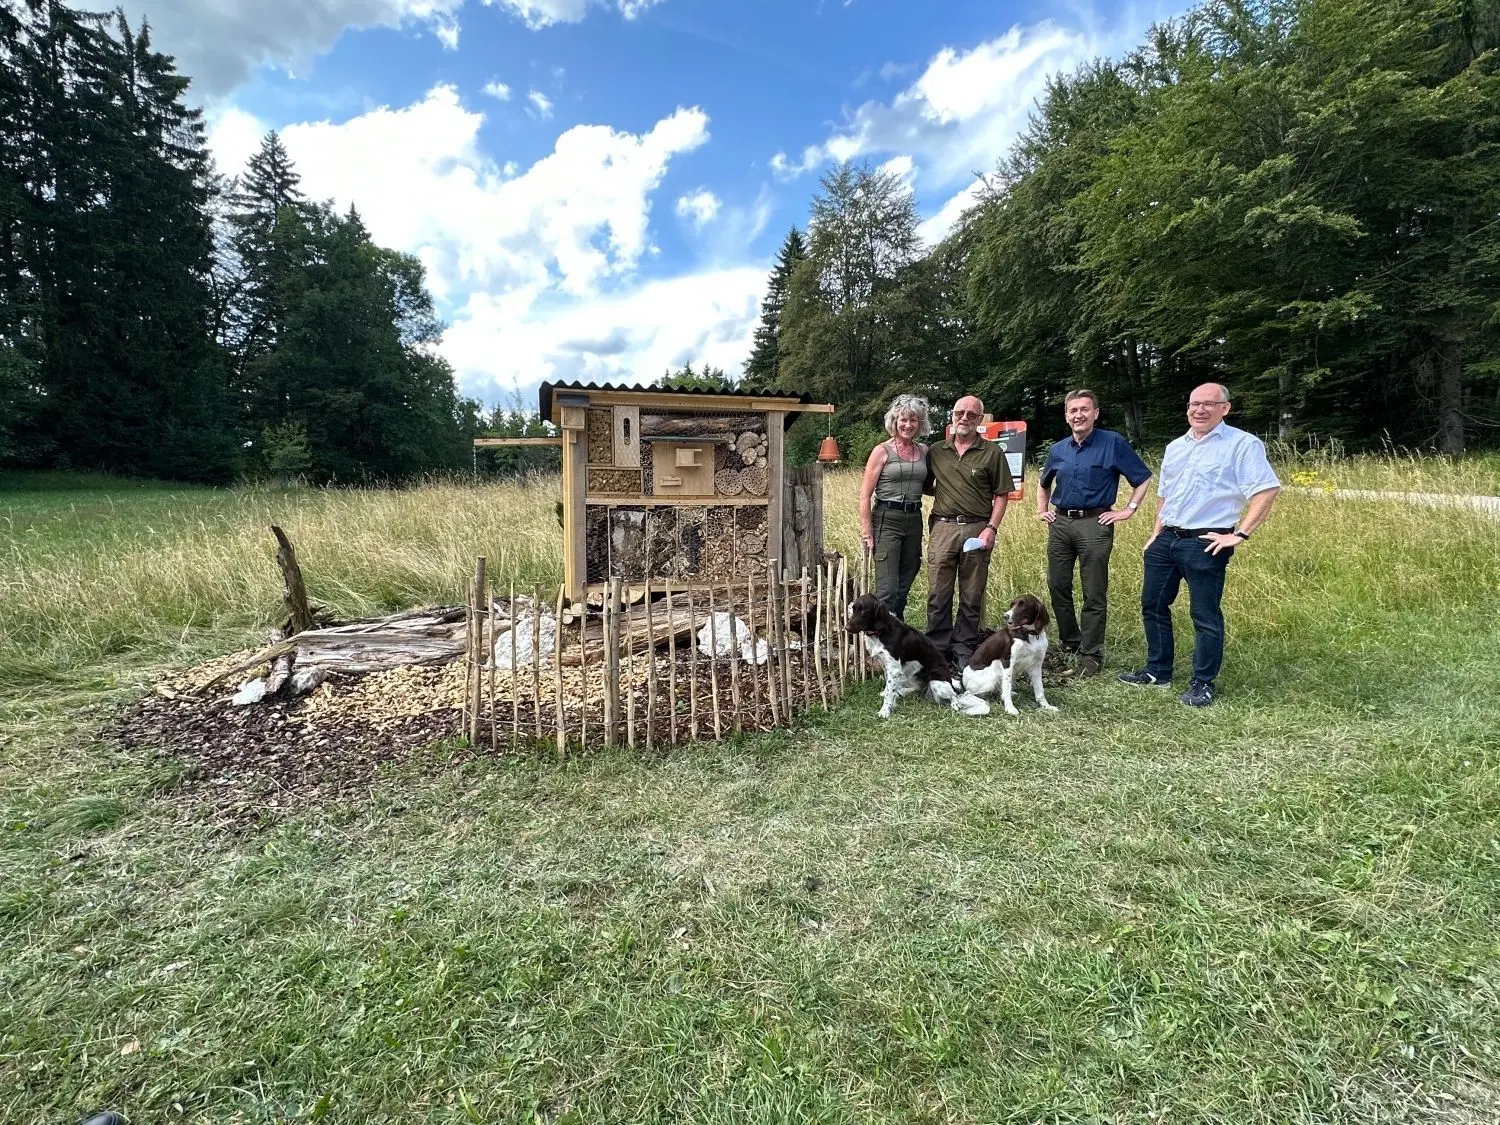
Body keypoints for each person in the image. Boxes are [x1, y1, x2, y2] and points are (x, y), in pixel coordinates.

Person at [1118, 383, 1280, 707]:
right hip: (1168, 538)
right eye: (1194, 404)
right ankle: (1157, 671)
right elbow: (1166, 494)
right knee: (1153, 604)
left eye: (1209, 403)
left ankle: (1202, 683)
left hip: (1207, 541)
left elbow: (1266, 489)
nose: (1200, 410)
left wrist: (1240, 534)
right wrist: (1155, 532)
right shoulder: (1176, 447)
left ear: (1225, 408)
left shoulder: (1242, 445)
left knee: (1204, 614)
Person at [1035, 389, 1153, 676]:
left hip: (1095, 523)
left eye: (1084, 409)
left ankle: (1091, 653)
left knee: (1094, 590)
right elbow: (1044, 483)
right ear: (1066, 416)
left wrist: (1129, 508)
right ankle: (1070, 641)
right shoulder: (1058, 449)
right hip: (1061, 523)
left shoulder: (1112, 443)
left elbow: (1143, 476)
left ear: (1095, 413)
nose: (1079, 415)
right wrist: (1042, 510)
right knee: (1058, 584)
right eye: (1073, 410)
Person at [924, 395, 1014, 669]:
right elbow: (926, 484)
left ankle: (964, 646)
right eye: (959, 412)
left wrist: (991, 529)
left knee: (972, 593)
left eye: (971, 415)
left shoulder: (992, 452)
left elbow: (1001, 495)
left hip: (978, 528)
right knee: (938, 593)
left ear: (979, 420)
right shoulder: (936, 451)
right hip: (943, 527)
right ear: (952, 415)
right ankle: (937, 648)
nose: (964, 418)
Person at [859, 394, 931, 620]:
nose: (908, 425)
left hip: (913, 519)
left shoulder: (924, 451)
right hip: (886, 518)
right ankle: (877, 635)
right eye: (903, 420)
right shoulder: (882, 451)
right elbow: (865, 495)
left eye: (914, 420)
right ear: (894, 421)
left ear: (920, 423)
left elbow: (928, 487)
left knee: (907, 577)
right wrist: (867, 532)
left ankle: (895, 627)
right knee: (888, 586)